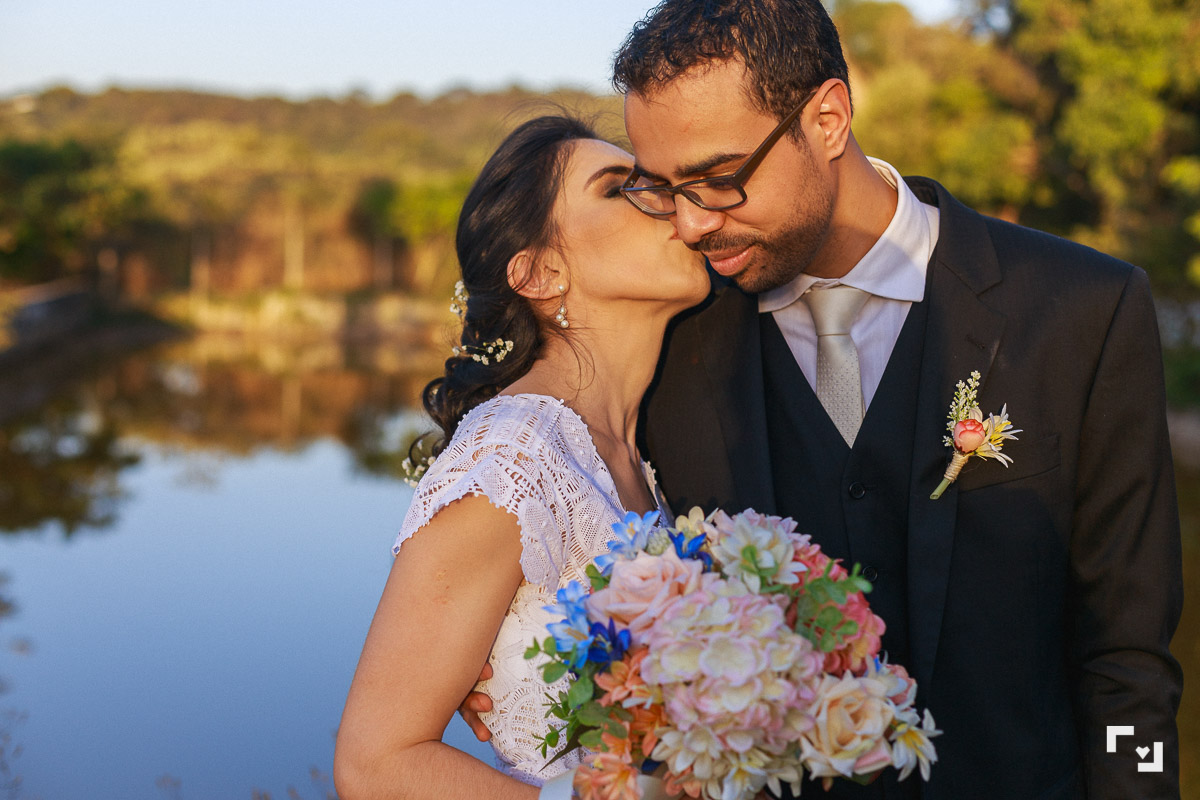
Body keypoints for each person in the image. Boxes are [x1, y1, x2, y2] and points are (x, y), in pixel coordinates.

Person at [460, 2, 1184, 798]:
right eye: (666, 190)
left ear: (829, 119)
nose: (693, 224)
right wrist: (505, 649)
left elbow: (1129, 659)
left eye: (719, 178)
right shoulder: (671, 340)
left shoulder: (1082, 308)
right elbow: (530, 447)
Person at [332, 115, 709, 800]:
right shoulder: (513, 455)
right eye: (620, 188)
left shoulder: (644, 448)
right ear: (540, 272)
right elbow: (375, 764)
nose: (669, 202)